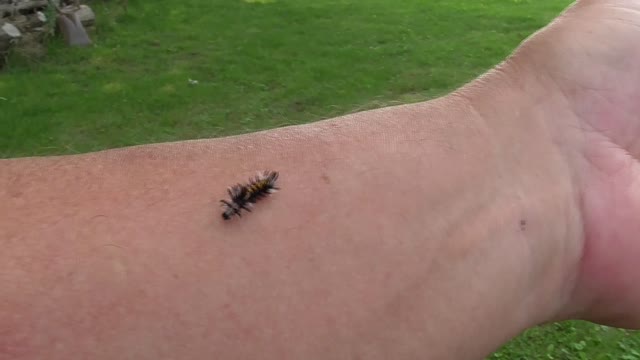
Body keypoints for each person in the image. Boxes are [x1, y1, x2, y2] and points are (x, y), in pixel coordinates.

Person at [1, 0, 639, 358]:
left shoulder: (247, 198)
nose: (236, 207)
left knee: (257, 194)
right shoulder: (245, 199)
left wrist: (549, 135)